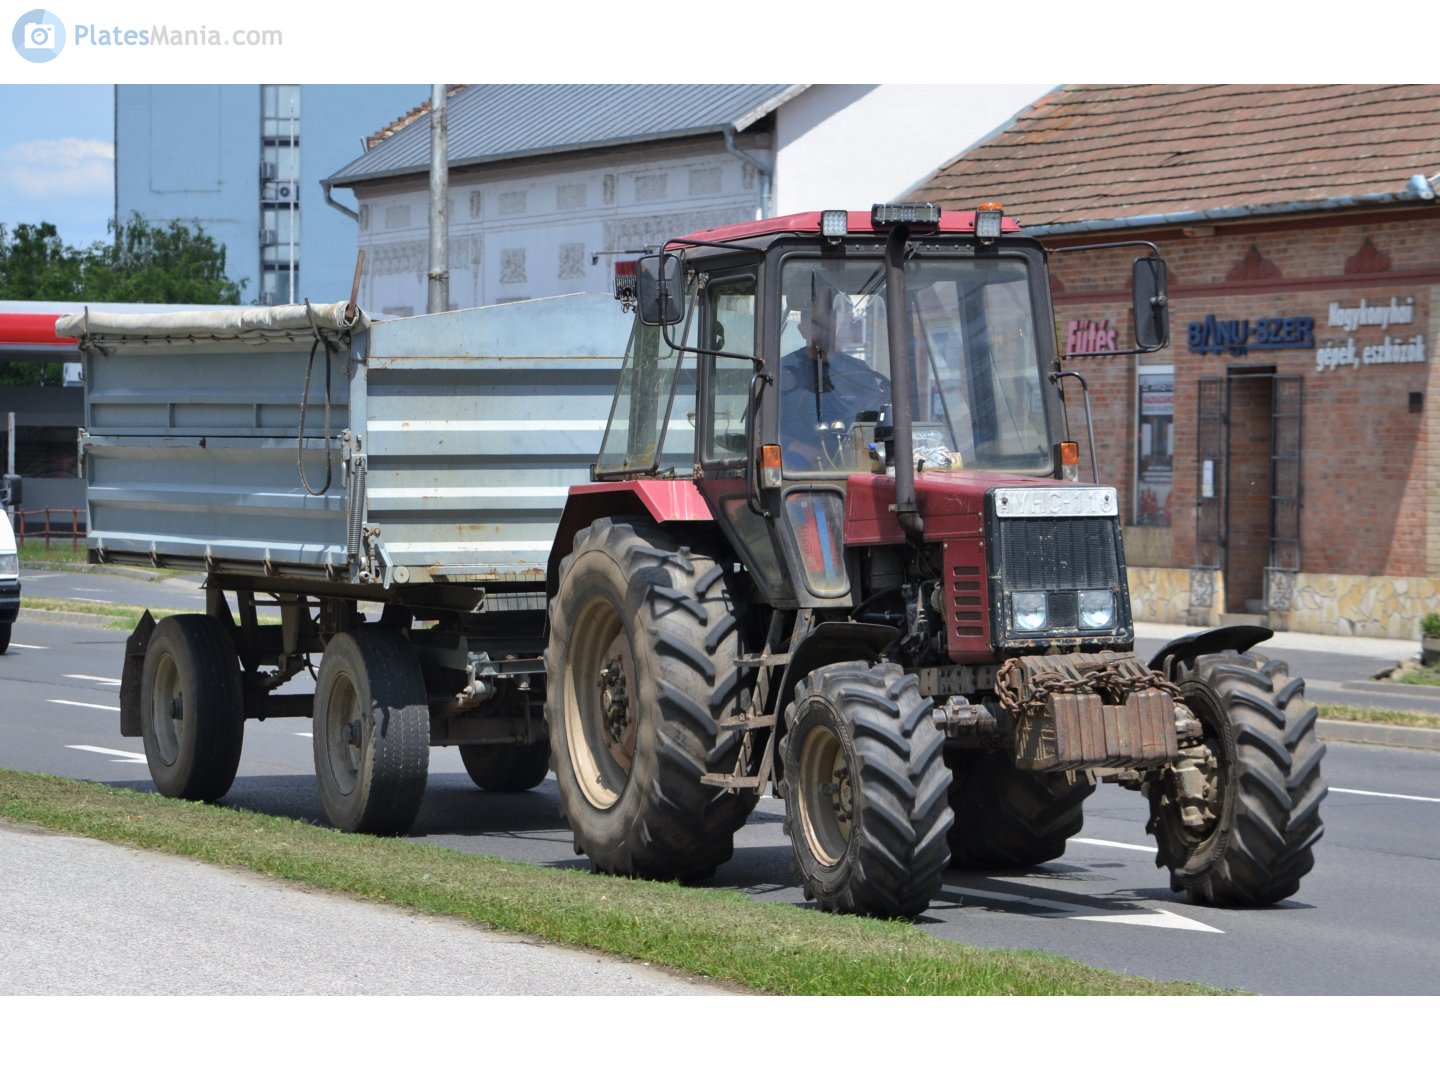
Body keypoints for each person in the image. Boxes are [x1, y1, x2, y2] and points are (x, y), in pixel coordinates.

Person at [778, 301, 889, 469]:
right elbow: (761, 428)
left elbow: (877, 423)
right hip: (800, 468)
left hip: (855, 461)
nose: (828, 332)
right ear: (802, 330)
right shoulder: (782, 371)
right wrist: (800, 449)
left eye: (831, 326)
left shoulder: (860, 371)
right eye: (819, 326)